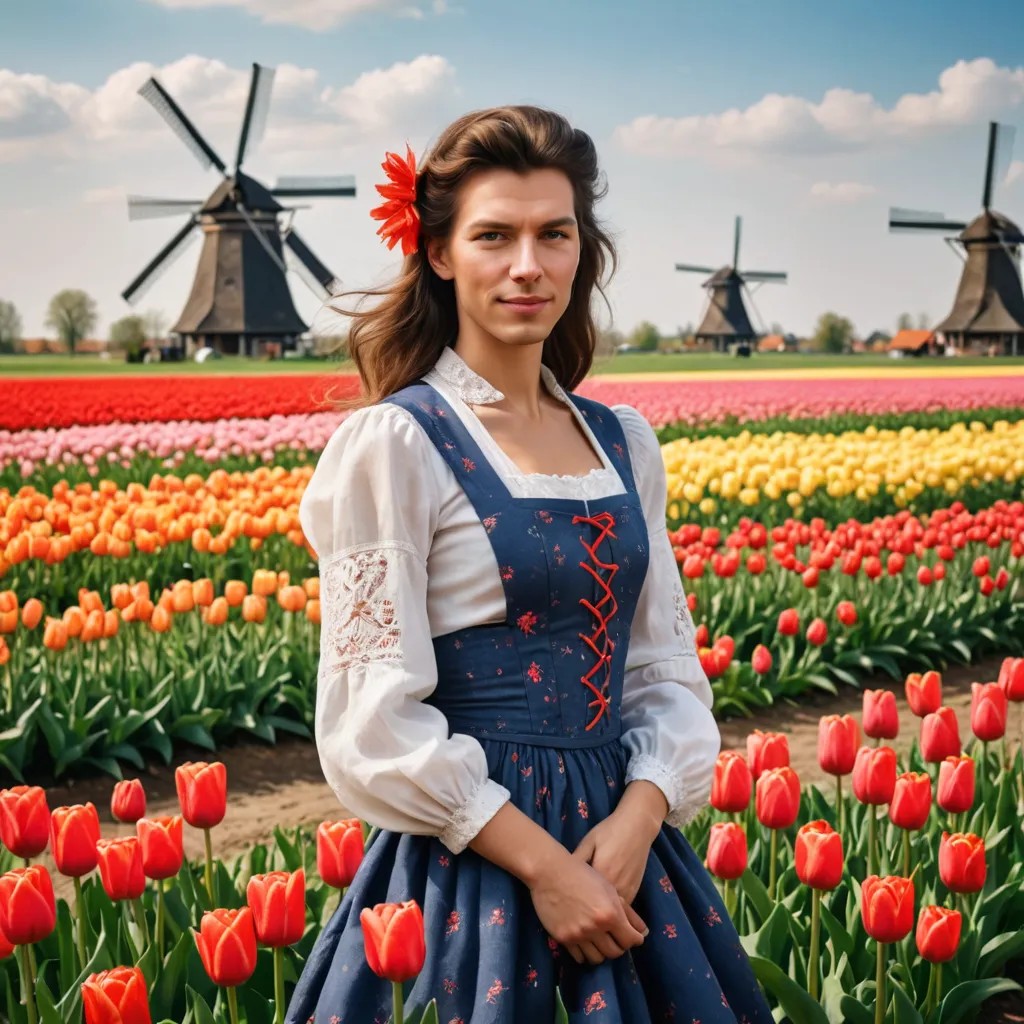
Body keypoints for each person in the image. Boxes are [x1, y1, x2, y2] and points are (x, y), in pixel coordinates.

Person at [288, 105, 771, 1023]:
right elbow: (368, 717)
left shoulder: (623, 442)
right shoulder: (394, 444)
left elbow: (663, 672)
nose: (527, 266)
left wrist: (637, 824)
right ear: (438, 254)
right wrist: (549, 872)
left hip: (625, 855)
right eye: (494, 236)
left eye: (555, 234)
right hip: (473, 862)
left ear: (583, 251)